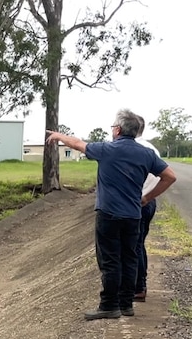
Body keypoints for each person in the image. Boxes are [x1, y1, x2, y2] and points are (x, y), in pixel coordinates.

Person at [46, 109, 177, 320]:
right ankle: (126, 305)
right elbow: (170, 177)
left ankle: (109, 305)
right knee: (129, 258)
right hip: (134, 215)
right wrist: (148, 197)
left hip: (109, 215)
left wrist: (58, 135)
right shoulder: (147, 154)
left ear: (117, 129)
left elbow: (78, 144)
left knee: (110, 261)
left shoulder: (106, 149)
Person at [134, 114, 160, 302]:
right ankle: (138, 285)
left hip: (138, 202)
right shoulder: (152, 149)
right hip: (149, 201)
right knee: (139, 243)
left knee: (134, 245)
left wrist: (144, 197)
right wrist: (150, 197)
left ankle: (139, 287)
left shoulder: (135, 149)